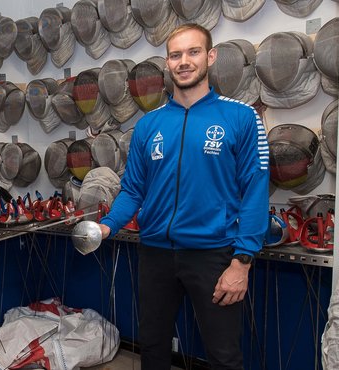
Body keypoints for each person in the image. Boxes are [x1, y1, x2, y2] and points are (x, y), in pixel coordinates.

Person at [97, 23, 270, 370]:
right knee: (154, 346)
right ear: (167, 62)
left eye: (193, 52)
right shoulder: (149, 125)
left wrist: (243, 260)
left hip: (214, 254)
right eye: (176, 55)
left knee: (223, 355)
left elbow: (255, 190)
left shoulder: (240, 116)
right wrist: (107, 226)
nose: (184, 61)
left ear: (210, 56)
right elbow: (133, 188)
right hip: (156, 253)